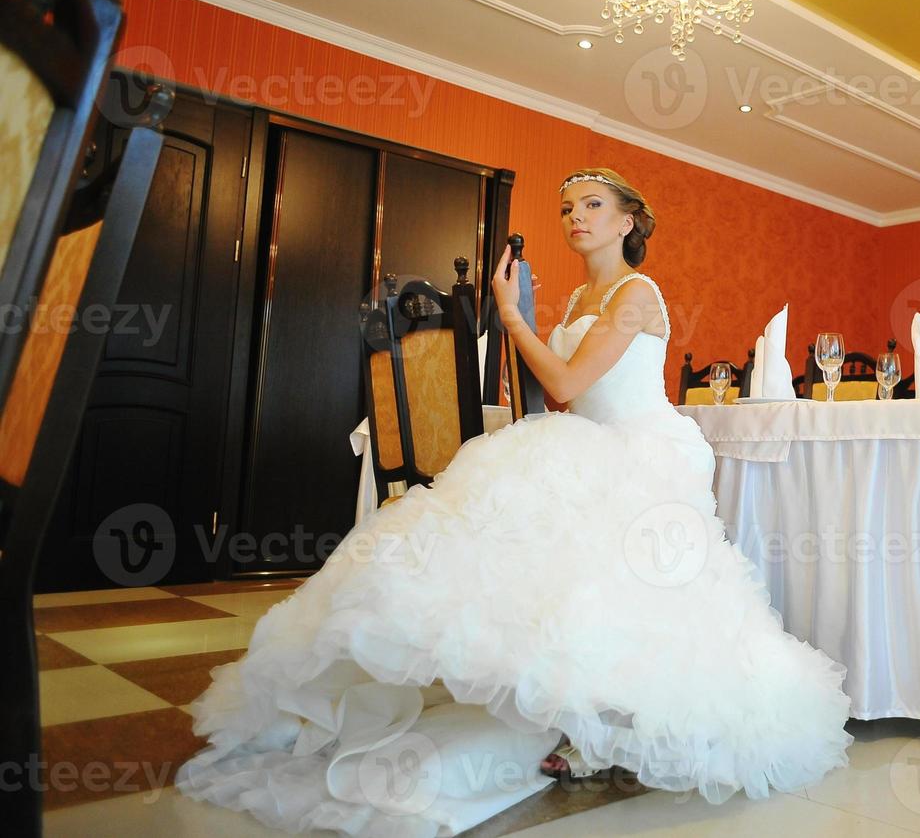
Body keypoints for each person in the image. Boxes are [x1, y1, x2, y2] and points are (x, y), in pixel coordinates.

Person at [177, 168, 853, 836]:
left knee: (611, 573)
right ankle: (561, 704)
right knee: (522, 539)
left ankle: (612, 717)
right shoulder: (581, 296)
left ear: (626, 222)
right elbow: (564, 392)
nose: (574, 218)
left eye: (591, 205)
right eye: (566, 208)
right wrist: (524, 320)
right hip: (591, 441)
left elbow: (563, 379)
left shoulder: (636, 291)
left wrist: (509, 316)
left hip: (645, 447)